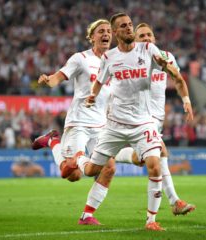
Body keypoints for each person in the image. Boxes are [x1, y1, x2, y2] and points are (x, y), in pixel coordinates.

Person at [73, 13, 194, 231]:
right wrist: (92, 96)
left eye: (130, 24)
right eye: (124, 26)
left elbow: (174, 74)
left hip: (144, 123)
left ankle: (151, 220)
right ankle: (79, 157)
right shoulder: (109, 58)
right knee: (91, 170)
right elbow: (99, 82)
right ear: (116, 32)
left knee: (154, 164)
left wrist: (173, 74)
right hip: (115, 125)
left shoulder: (148, 50)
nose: (128, 28)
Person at [31, 19, 116, 225]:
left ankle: (87, 215)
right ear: (92, 37)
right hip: (78, 122)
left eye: (108, 31)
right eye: (101, 31)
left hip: (101, 125)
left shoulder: (116, 61)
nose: (106, 34)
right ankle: (53, 141)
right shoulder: (80, 58)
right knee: (71, 174)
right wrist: (48, 80)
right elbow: (58, 77)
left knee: (109, 168)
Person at [114, 23, 196, 216]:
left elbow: (178, 79)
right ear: (135, 40)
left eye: (149, 35)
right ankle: (174, 201)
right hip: (138, 117)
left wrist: (186, 100)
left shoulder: (166, 58)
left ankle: (112, 155)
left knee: (142, 159)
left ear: (155, 39)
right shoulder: (129, 61)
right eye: (141, 36)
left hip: (156, 120)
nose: (146, 39)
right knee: (160, 151)